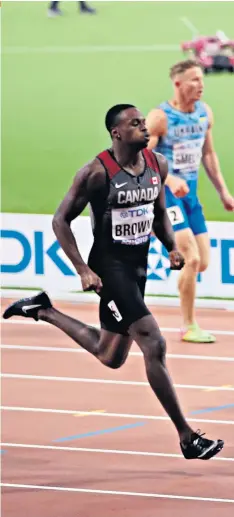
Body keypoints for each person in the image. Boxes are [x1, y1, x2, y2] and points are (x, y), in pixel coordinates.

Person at [3, 104, 224, 460]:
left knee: (111, 355)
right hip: (109, 269)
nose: (144, 126)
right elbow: (60, 221)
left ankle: (44, 310)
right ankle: (187, 437)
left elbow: (157, 212)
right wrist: (83, 270)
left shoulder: (157, 165)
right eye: (135, 123)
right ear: (117, 133)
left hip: (138, 268)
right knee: (153, 342)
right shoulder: (95, 173)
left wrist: (170, 247)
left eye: (143, 122)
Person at [146, 60, 234, 343]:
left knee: (203, 262)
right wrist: (169, 180)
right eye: (194, 80)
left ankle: (164, 251)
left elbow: (208, 154)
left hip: (191, 197)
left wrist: (223, 192)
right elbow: (143, 159)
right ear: (178, 84)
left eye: (202, 79)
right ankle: (188, 325)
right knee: (190, 258)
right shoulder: (160, 117)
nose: (201, 85)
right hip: (167, 196)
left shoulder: (204, 113)